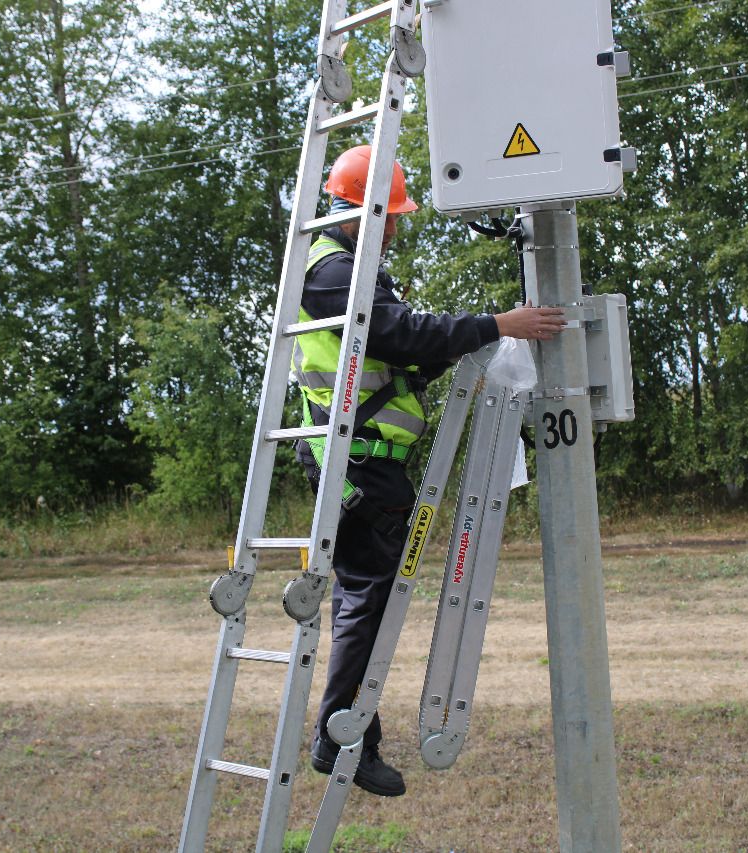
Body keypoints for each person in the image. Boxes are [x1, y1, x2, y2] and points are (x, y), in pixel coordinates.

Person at [293, 144, 567, 797]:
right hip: (358, 466)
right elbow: (401, 335)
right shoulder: (337, 270)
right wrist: (498, 323)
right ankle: (340, 738)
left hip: (363, 463)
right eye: (390, 215)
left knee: (369, 602)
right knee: (368, 604)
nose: (396, 227)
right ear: (363, 210)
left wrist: (472, 339)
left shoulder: (343, 265)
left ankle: (352, 738)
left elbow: (407, 355)